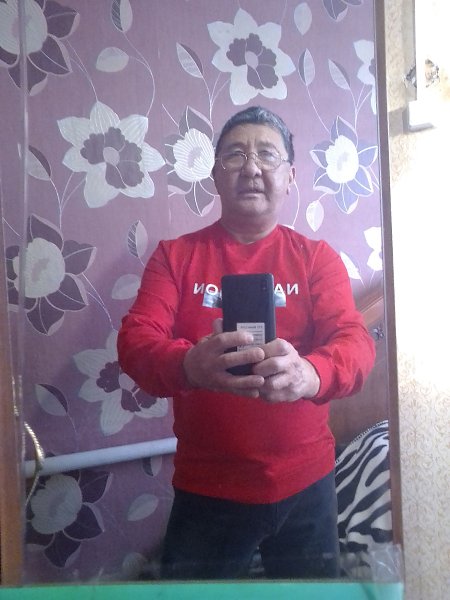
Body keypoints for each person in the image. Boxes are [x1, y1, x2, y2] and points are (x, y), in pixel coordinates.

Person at [117, 106, 375, 580]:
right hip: (207, 489)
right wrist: (190, 365)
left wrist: (309, 374)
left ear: (290, 176)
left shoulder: (316, 258)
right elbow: (135, 342)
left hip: (308, 486)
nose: (252, 167)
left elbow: (355, 343)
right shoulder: (176, 256)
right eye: (235, 155)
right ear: (215, 175)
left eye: (267, 155)